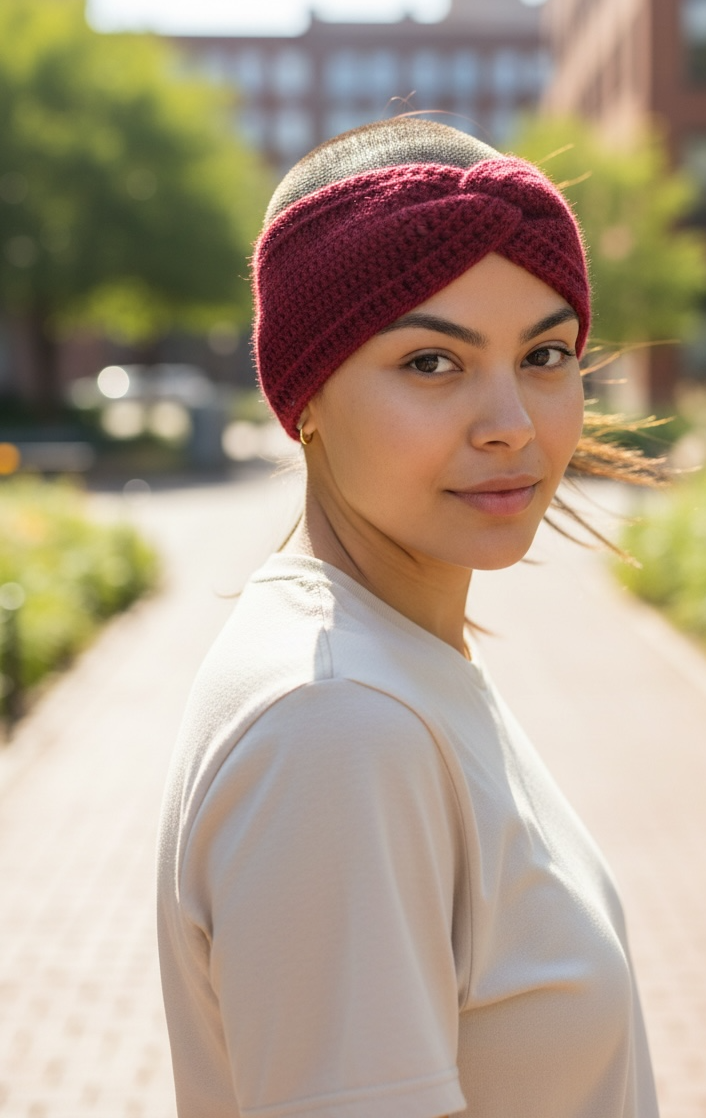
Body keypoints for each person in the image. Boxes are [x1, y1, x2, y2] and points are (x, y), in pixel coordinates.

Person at [157, 116, 661, 1118]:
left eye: (546, 354)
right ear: (306, 398)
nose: (511, 423)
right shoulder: (337, 726)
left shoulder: (391, 661)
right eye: (432, 362)